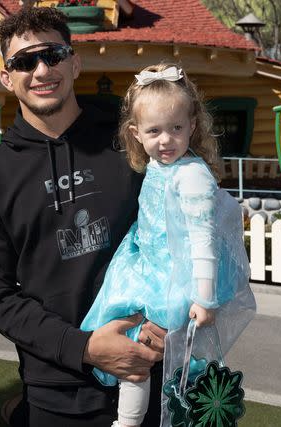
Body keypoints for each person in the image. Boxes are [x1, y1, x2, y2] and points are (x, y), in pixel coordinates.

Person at [0, 7, 166, 427]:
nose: (40, 70)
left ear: (75, 61)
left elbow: (178, 232)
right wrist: (85, 347)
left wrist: (171, 318)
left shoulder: (130, 139)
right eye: (23, 61)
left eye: (52, 54)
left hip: (155, 369)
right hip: (57, 393)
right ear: (7, 78)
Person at [80, 63, 254, 427]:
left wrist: (204, 297)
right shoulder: (159, 167)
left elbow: (203, 240)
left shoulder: (191, 176)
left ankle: (131, 420)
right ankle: (130, 418)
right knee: (133, 348)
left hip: (177, 277)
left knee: (141, 351)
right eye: (154, 131)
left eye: (176, 128)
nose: (166, 140)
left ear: (192, 125)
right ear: (136, 133)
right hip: (148, 265)